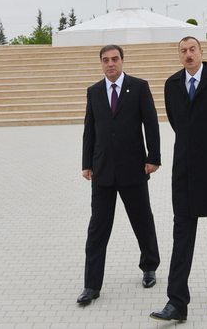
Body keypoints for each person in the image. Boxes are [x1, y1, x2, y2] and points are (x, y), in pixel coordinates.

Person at [150, 36, 207, 323]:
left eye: (192, 49)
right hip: (185, 170)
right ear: (179, 56)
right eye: (183, 51)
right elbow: (176, 122)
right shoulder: (172, 85)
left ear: (202, 52)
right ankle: (177, 301)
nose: (188, 55)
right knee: (182, 234)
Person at [78, 43, 161, 305]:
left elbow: (151, 123)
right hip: (102, 171)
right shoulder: (94, 91)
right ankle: (91, 286)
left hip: (133, 168)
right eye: (106, 60)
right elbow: (89, 129)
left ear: (122, 61)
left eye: (115, 59)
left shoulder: (139, 87)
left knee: (142, 221)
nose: (110, 64)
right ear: (101, 64)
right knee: (97, 229)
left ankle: (149, 266)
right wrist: (86, 163)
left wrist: (153, 157)